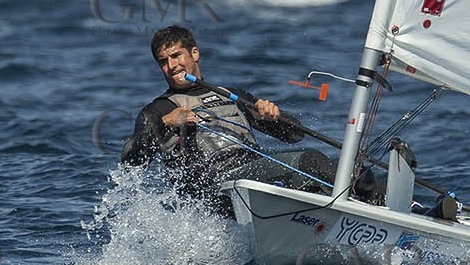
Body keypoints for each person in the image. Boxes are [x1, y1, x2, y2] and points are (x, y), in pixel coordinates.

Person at [119, 26, 336, 216]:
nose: (172, 65)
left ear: (194, 53)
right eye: (163, 62)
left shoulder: (230, 95)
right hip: (214, 192)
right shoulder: (157, 110)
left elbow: (295, 135)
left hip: (253, 179)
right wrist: (165, 122)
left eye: (176, 56)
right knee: (311, 161)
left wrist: (274, 117)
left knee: (328, 177)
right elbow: (131, 159)